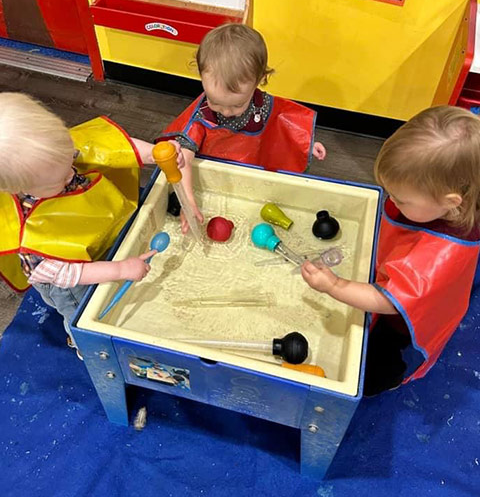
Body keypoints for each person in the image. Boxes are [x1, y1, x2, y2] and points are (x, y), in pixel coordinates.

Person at [301, 106, 480, 395]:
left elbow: (389, 301)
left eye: (401, 199)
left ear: (450, 201)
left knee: (373, 371)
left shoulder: (438, 255)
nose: (393, 201)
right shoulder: (457, 184)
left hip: (400, 323)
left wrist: (334, 285)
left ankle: (388, 378)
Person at [0, 93, 184, 356]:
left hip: (87, 241)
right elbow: (68, 275)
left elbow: (112, 147)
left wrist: (153, 154)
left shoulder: (54, 151)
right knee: (83, 313)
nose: (71, 173)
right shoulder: (29, 236)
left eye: (69, 162)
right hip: (70, 282)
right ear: (20, 188)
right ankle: (82, 343)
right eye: (62, 179)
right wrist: (119, 269)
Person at [159, 23, 325, 233]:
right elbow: (183, 157)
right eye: (215, 102)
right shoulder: (202, 114)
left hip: (252, 176)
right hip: (216, 179)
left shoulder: (262, 105)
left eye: (237, 105)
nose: (225, 112)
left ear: (260, 81)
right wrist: (189, 201)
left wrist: (306, 145)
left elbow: (283, 127)